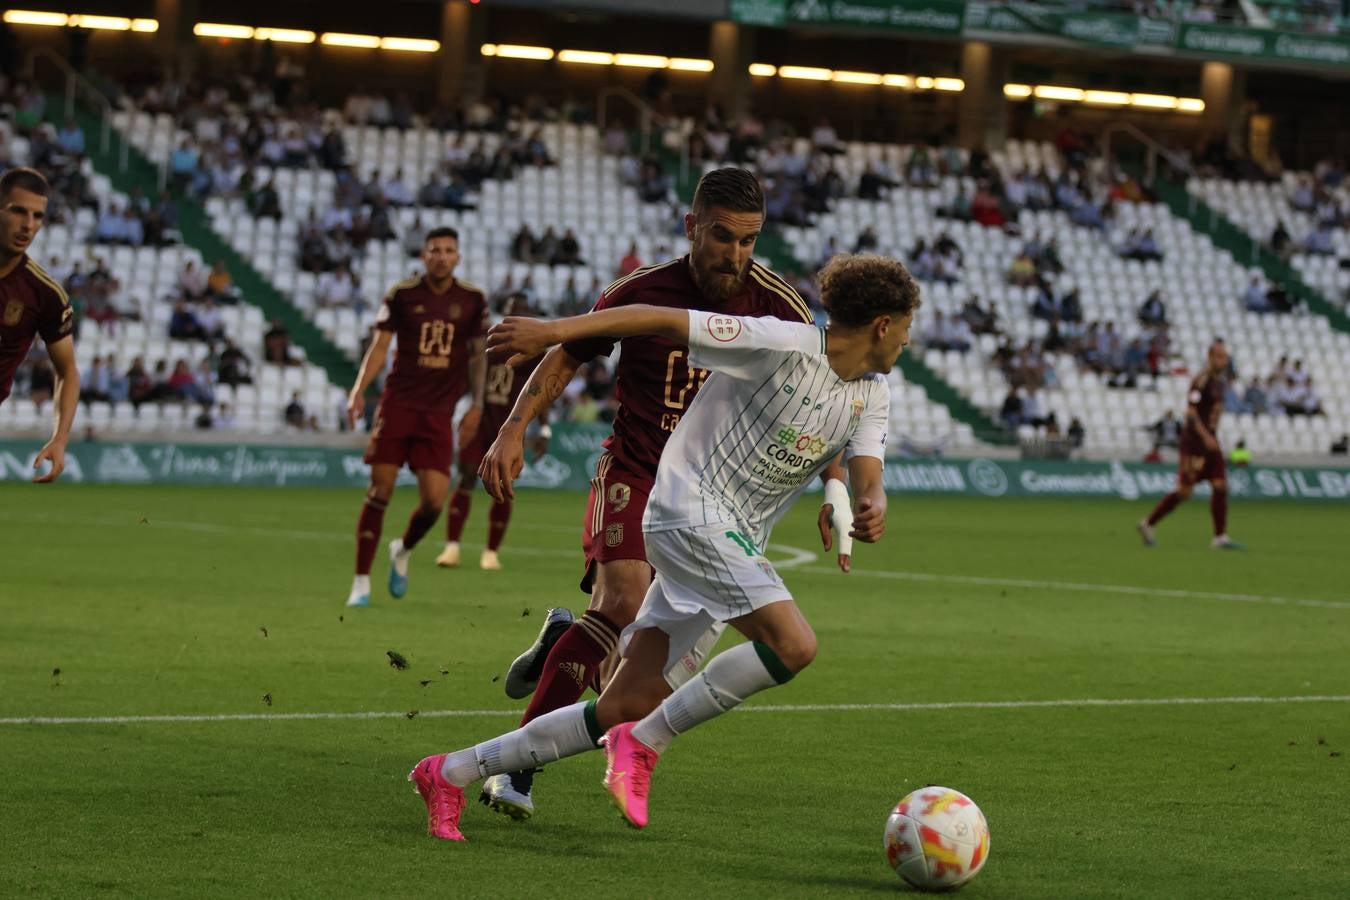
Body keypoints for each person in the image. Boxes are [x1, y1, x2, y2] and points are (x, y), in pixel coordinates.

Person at [410, 251, 917, 841]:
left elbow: (867, 470)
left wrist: (864, 499)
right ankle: (646, 745)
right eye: (906, 330)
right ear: (883, 324)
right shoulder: (781, 342)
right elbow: (660, 319)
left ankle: (448, 772)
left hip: (731, 541)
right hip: (688, 511)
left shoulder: (874, 392)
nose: (906, 342)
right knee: (794, 644)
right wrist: (556, 331)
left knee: (623, 702)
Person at [473, 168, 847, 820]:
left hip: (711, 492)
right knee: (620, 597)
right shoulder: (643, 292)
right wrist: (512, 428)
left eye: (748, 241)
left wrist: (837, 484)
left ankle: (565, 636)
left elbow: (823, 392)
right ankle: (516, 772)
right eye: (722, 238)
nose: (734, 255)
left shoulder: (778, 305)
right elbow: (568, 355)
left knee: (628, 667)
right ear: (691, 228)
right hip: (636, 470)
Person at [343, 228, 488, 608]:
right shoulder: (402, 295)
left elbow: (477, 356)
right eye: (434, 250)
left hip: (439, 413)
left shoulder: (472, 299)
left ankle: (402, 550)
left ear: (458, 257)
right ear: (424, 256)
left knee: (434, 504)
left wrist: (476, 405)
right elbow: (379, 346)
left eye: (448, 250)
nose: (441, 256)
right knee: (380, 492)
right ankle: (360, 582)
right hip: (398, 406)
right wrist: (358, 391)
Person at [437, 297, 550, 571]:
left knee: (502, 485)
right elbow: (468, 378)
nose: (512, 316)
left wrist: (544, 429)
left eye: (519, 312)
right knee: (465, 477)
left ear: (528, 315)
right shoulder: (490, 343)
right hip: (482, 419)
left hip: (510, 426)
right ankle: (451, 548)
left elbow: (544, 388)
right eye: (509, 311)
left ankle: (490, 552)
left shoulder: (536, 350)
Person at [0, 168, 79, 482]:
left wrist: (59, 438)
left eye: (37, 216)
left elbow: (68, 370)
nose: (28, 225)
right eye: (18, 211)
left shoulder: (44, 294)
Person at [1138, 341, 1242, 550]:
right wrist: (1206, 437)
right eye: (1219, 356)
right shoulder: (1201, 381)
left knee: (1220, 485)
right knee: (1185, 492)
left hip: (1211, 443)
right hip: (1195, 444)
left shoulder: (1220, 382)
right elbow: (1190, 412)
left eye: (1225, 356)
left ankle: (1220, 537)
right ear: (1210, 357)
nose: (1223, 360)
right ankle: (1148, 523)